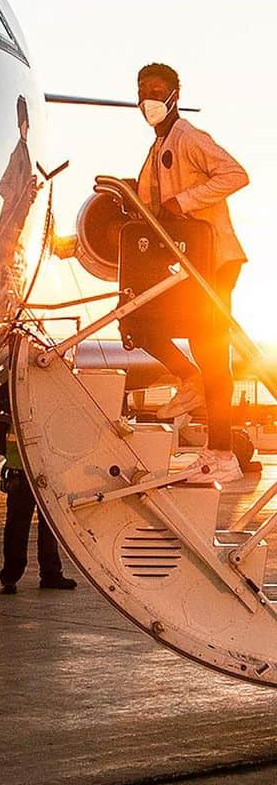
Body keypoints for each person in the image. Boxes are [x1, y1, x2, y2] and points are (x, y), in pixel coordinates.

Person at [133, 62, 248, 484]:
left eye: (156, 90)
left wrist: (186, 200)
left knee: (213, 353)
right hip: (185, 267)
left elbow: (236, 174)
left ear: (174, 96)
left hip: (215, 260)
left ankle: (222, 452)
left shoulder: (188, 138)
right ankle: (190, 380)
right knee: (141, 323)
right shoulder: (155, 149)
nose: (148, 98)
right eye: (142, 90)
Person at [0, 372, 76, 594]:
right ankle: (48, 573)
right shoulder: (57, 386)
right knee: (46, 526)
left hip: (23, 469)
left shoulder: (9, 388)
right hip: (42, 468)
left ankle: (12, 576)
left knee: (20, 526)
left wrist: (11, 456)